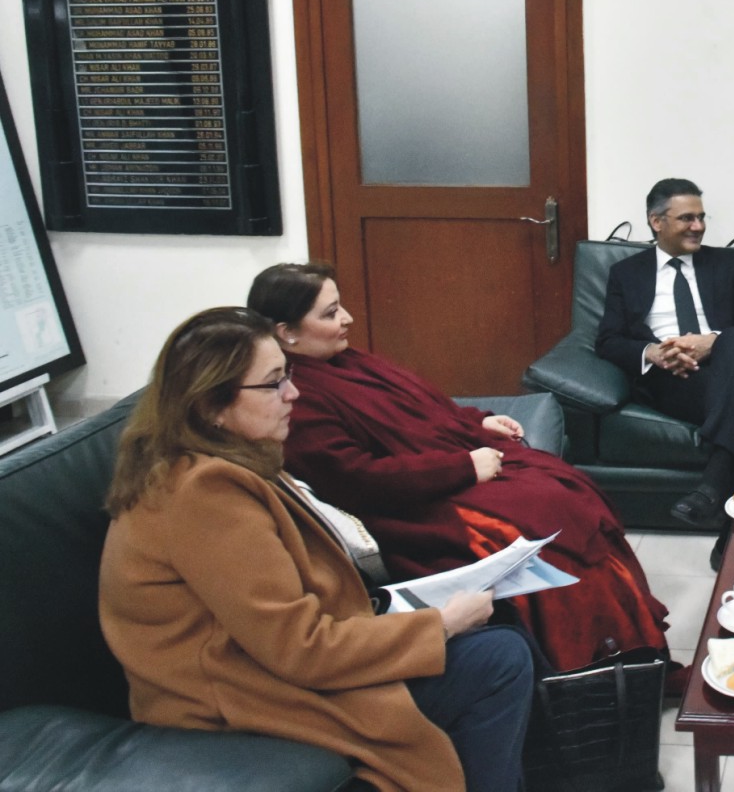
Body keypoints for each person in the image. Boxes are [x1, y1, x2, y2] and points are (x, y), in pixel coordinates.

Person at [100, 308, 533, 792]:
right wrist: (442, 624)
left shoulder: (225, 456)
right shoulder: (206, 492)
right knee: (499, 658)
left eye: (288, 375)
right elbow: (300, 649)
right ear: (210, 405)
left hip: (276, 662)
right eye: (273, 384)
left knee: (503, 625)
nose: (294, 394)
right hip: (244, 694)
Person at [248, 263, 670, 672]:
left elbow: (423, 411)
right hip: (413, 506)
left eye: (340, 306)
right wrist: (464, 468)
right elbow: (356, 478)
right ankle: (590, 667)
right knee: (544, 523)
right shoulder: (298, 398)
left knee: (570, 494)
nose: (347, 318)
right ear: (286, 334)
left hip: (449, 468)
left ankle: (637, 652)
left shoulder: (346, 360)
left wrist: (476, 422)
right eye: (330, 313)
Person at [595, 177, 734, 528]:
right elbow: (608, 340)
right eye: (687, 218)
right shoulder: (626, 274)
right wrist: (653, 352)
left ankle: (711, 490)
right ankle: (731, 529)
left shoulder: (730, 265)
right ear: (657, 222)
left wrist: (711, 341)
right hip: (676, 379)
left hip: (733, 361)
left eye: (701, 217)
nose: (698, 226)